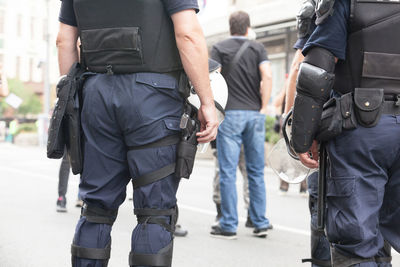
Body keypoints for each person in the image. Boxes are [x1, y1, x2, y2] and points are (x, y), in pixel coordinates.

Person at [57, 1, 218, 266]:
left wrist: (72, 98)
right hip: (154, 97)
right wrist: (207, 102)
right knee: (154, 210)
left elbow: (64, 40)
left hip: (97, 93)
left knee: (95, 208)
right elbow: (188, 33)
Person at [291, 0, 399, 265]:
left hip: (362, 132)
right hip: (368, 130)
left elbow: (316, 69)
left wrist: (301, 139)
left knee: (356, 243)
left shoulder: (346, 3)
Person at [210, 10, 273, 239]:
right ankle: (260, 222)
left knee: (227, 171)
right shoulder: (258, 48)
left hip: (230, 114)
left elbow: (212, 76)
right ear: (248, 28)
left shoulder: (219, 47)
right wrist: (264, 106)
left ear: (230, 28)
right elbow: (267, 75)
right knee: (256, 171)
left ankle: (228, 224)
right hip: (254, 114)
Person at [211, 142, 254, 228]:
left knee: (248, 175)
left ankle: (252, 215)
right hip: (224, 138)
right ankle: (221, 214)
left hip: (243, 136)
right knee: (222, 175)